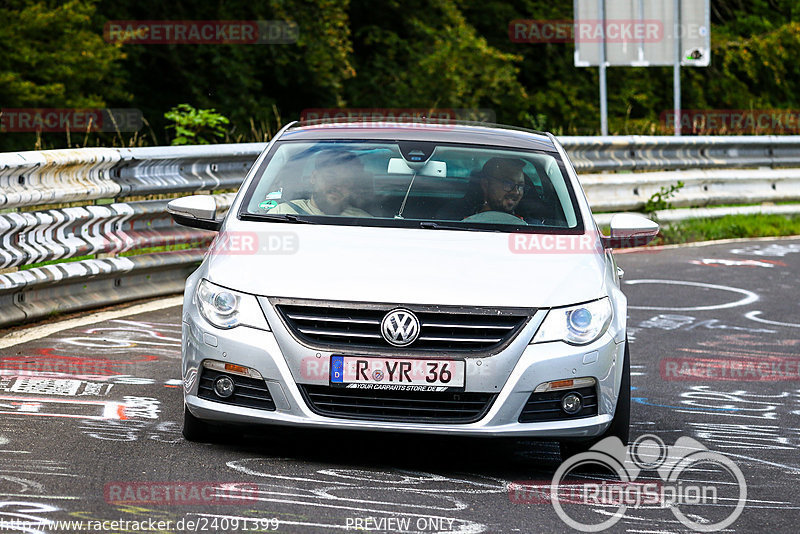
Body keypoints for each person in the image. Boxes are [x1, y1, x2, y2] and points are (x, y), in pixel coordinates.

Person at [268, 151, 372, 217]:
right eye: (331, 177)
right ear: (314, 177)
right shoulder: (281, 213)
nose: (338, 185)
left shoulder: (364, 221)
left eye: (346, 181)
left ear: (352, 187)